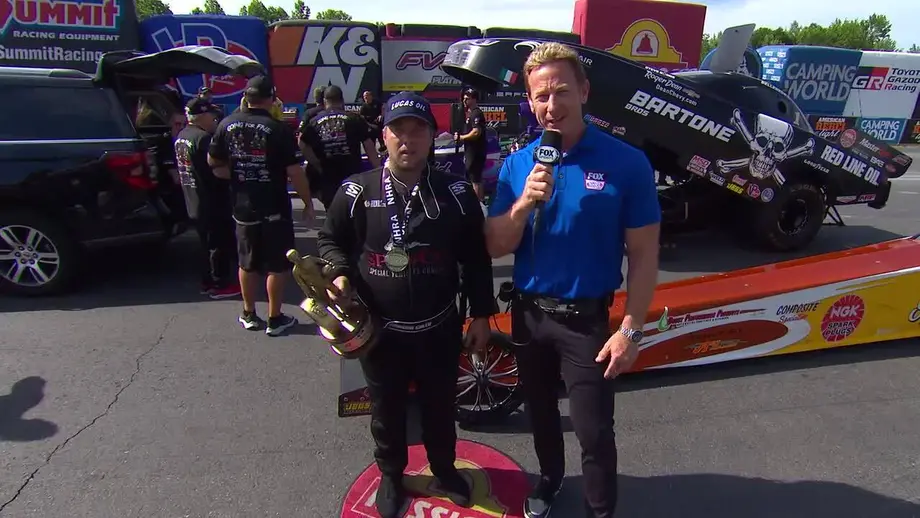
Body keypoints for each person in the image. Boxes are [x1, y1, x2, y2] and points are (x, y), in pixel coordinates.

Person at [484, 42, 661, 518]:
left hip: (586, 323)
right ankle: (550, 479)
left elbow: (644, 254)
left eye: (561, 91)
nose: (552, 105)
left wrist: (631, 329)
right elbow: (495, 245)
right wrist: (523, 203)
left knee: (593, 430)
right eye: (541, 95)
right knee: (540, 414)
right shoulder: (518, 164)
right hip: (528, 315)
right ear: (529, 100)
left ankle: (599, 510)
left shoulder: (626, 162)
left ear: (583, 91)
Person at [316, 91, 494, 518]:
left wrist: (481, 314)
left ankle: (445, 470)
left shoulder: (455, 192)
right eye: (398, 131)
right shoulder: (356, 190)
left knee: (440, 408)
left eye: (418, 130)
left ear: (432, 137)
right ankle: (392, 475)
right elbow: (329, 240)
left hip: (439, 328)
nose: (408, 140)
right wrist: (339, 272)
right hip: (381, 332)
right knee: (386, 410)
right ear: (384, 137)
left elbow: (476, 257)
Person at [207, 75, 315, 336]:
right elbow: (295, 172)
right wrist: (308, 202)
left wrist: (238, 175)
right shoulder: (278, 129)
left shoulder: (226, 124)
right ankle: (274, 318)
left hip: (242, 205)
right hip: (273, 204)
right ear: (271, 99)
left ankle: (249, 313)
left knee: (247, 262)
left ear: (246, 97)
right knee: (278, 264)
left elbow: (214, 163)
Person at [174, 98, 240, 299]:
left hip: (192, 197)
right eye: (211, 115)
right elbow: (217, 168)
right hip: (210, 198)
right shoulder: (203, 139)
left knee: (205, 243)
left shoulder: (182, 136)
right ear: (201, 115)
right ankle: (220, 284)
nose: (214, 119)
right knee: (218, 243)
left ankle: (207, 281)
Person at [299, 85, 381, 210]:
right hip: (351, 176)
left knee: (332, 212)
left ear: (325, 101)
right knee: (354, 211)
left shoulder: (315, 121)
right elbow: (369, 147)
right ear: (342, 100)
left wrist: (315, 163)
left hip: (327, 175)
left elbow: (302, 143)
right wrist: (379, 171)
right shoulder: (354, 119)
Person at [454, 88, 487, 201]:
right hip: (470, 151)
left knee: (475, 179)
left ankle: (478, 204)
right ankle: (477, 201)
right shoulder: (469, 113)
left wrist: (461, 138)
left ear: (474, 99)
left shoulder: (476, 113)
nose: (464, 101)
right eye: (464, 99)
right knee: (473, 178)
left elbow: (476, 132)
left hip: (476, 151)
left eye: (467, 99)